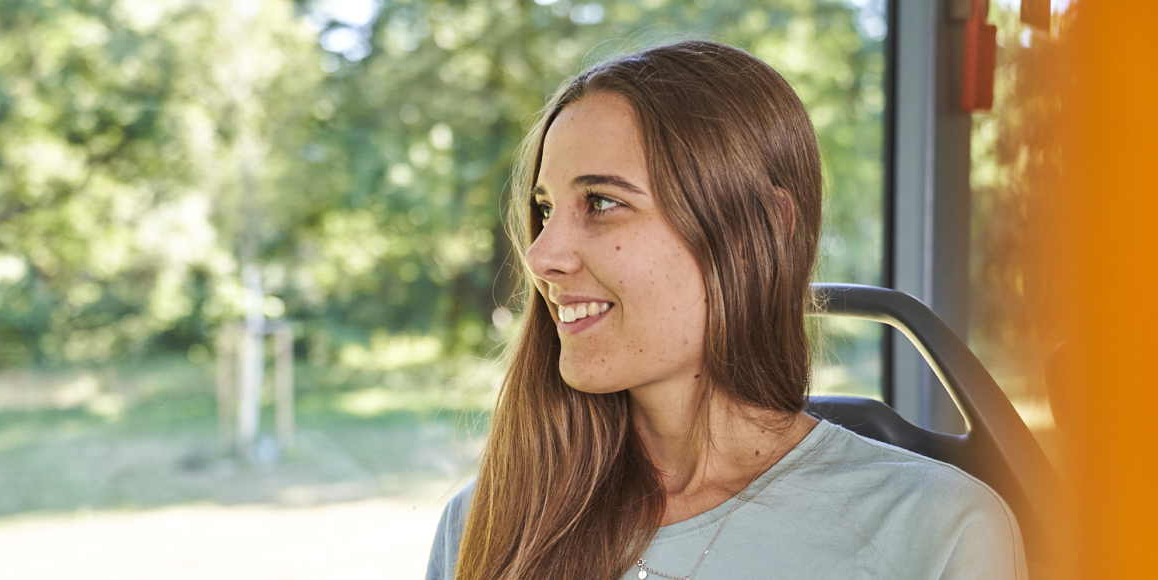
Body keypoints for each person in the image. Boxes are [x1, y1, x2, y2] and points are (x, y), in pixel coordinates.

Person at [425, 41, 1025, 580]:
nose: (540, 255)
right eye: (546, 209)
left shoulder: (937, 528)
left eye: (602, 202)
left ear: (759, 230)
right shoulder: (487, 523)